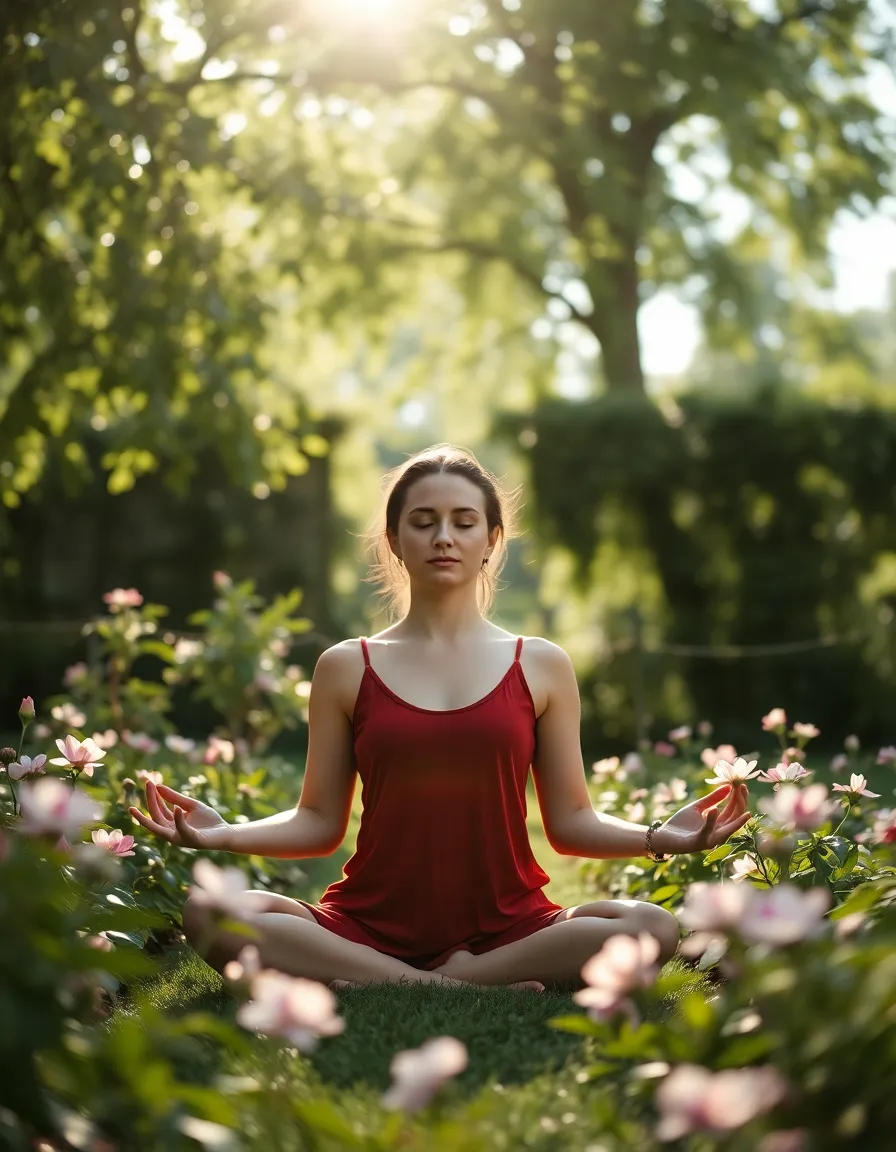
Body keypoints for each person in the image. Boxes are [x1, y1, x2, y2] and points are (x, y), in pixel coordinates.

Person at [130, 444, 750, 992]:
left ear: (491, 539)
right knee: (208, 911)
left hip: (512, 927)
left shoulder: (541, 664)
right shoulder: (346, 666)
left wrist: (656, 840)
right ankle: (442, 983)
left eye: (463, 522)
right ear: (395, 542)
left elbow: (571, 823)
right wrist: (223, 834)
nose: (443, 537)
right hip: (366, 924)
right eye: (423, 523)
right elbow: (319, 822)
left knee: (652, 925)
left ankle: (444, 978)